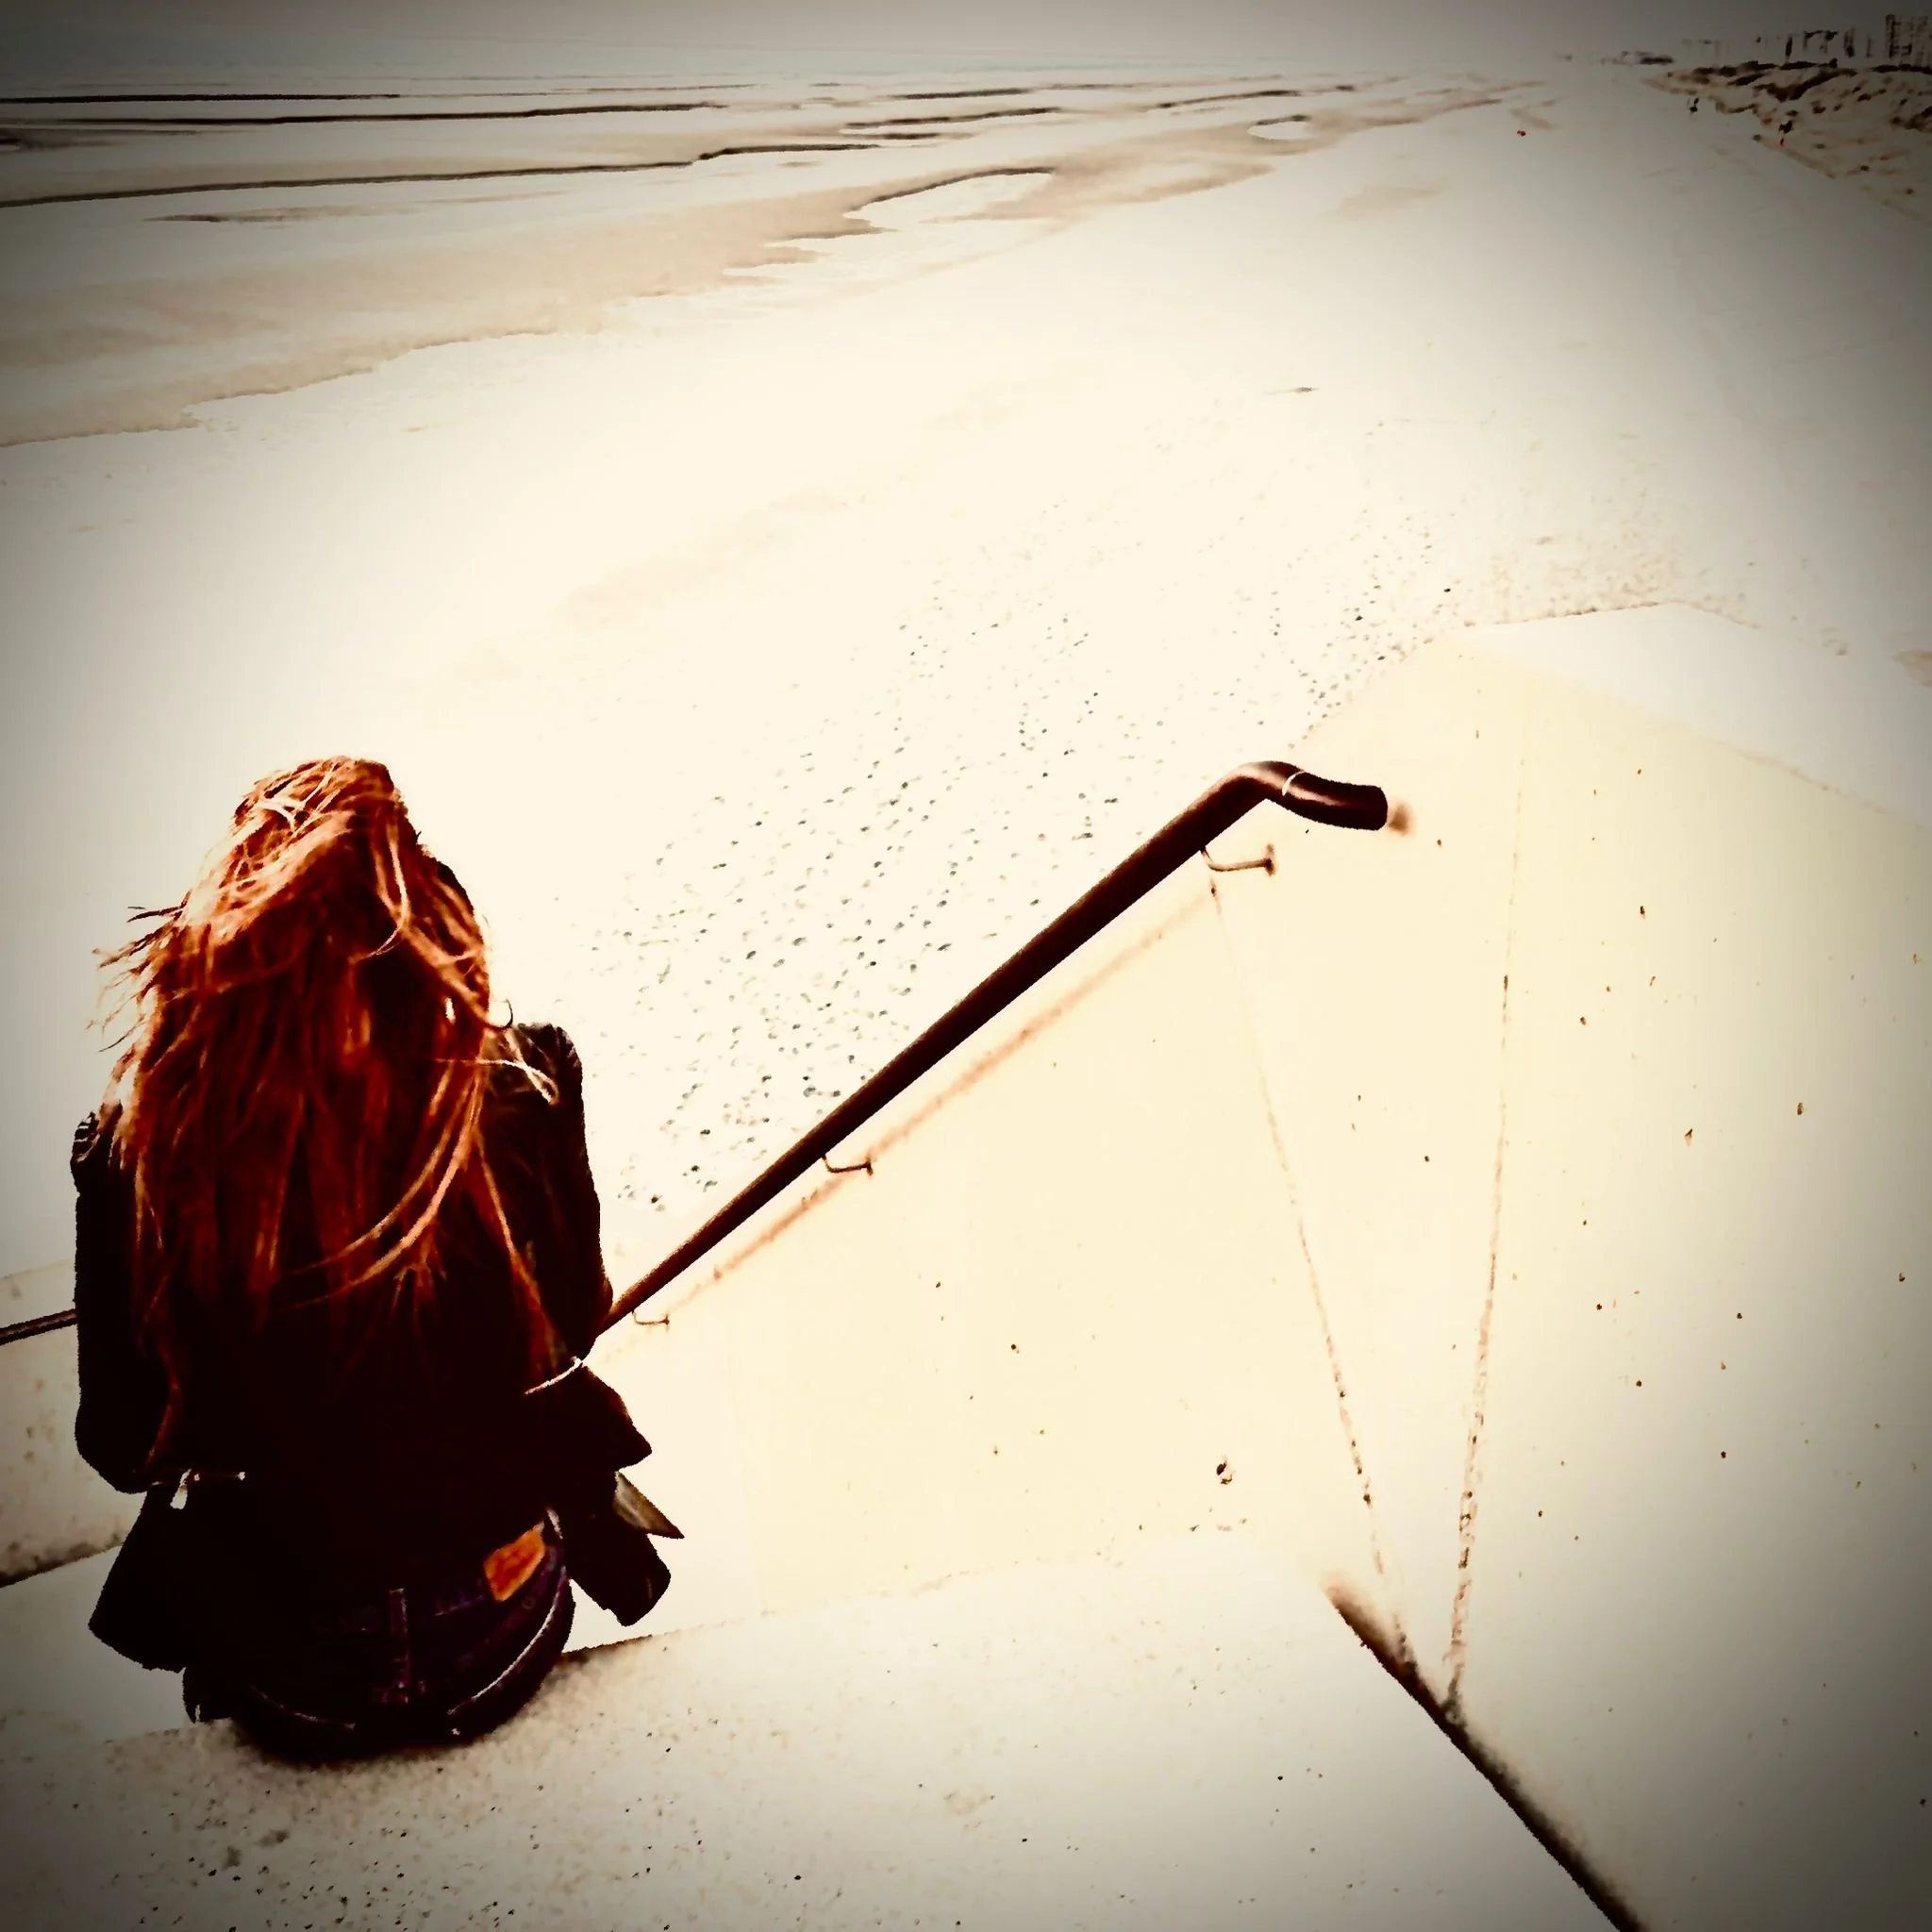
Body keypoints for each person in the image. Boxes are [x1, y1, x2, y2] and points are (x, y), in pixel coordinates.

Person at [72, 756, 663, 1758]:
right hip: (495, 1628)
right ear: (426, 925)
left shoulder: (138, 1150)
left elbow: (124, 1446)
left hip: (292, 1673)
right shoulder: (522, 1085)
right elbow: (568, 1323)